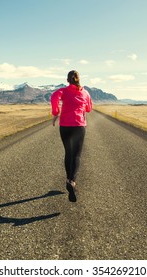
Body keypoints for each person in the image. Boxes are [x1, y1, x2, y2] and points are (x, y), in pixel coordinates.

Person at [51, 70, 93, 202]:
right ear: (78, 79)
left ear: (67, 80)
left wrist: (55, 113)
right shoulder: (85, 92)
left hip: (65, 126)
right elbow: (89, 109)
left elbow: (53, 97)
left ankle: (68, 179)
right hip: (78, 126)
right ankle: (72, 182)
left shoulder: (62, 91)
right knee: (76, 155)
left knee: (68, 153)